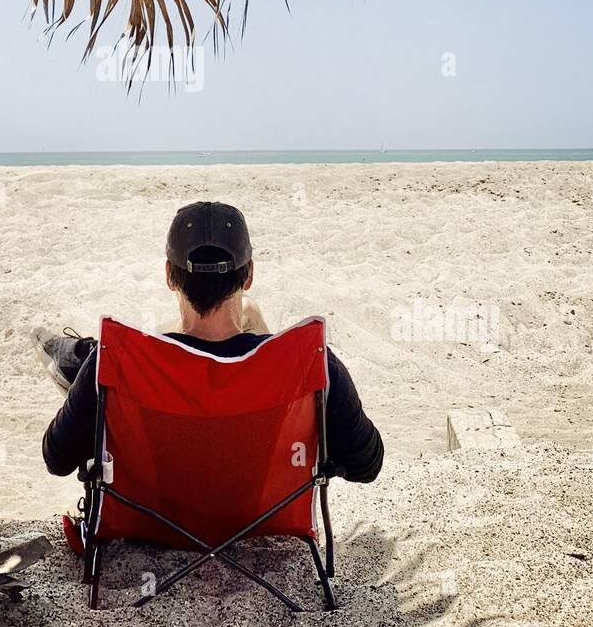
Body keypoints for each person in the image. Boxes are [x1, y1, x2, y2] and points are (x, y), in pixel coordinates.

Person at [39, 200, 384, 484]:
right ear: (249, 274)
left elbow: (57, 459)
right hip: (263, 521)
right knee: (251, 321)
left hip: (149, 523)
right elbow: (366, 466)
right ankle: (259, 345)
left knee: (112, 365)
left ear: (168, 276)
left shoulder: (111, 359)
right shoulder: (313, 362)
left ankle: (81, 357)